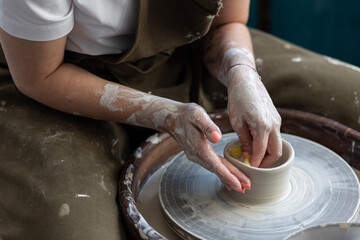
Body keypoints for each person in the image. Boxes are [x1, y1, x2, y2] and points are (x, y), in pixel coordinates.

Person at [0, 0, 359, 239]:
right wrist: (166, 114)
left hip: (189, 52)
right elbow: (39, 75)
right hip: (57, 78)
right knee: (70, 229)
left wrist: (242, 74)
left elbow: (228, 22)